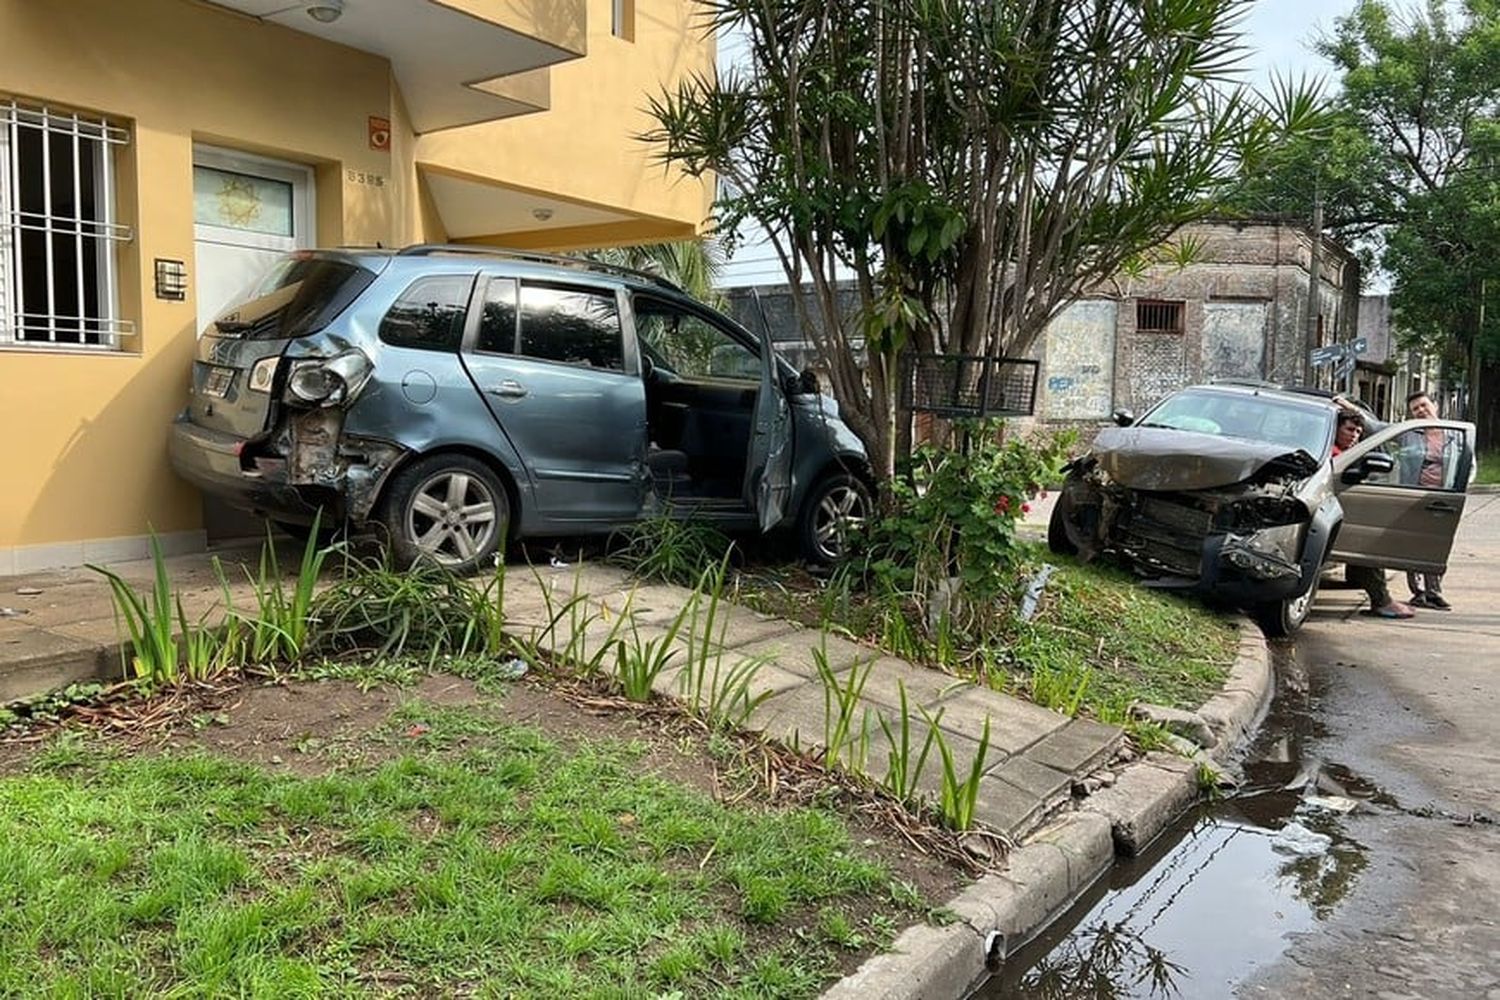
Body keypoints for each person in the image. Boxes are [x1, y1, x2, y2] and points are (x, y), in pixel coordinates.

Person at [1333, 407, 1415, 619]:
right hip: (1332, 519)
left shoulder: (1346, 454)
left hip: (1342, 516)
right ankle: (1382, 601)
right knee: (1368, 546)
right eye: (1349, 429)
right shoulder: (1333, 454)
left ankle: (1366, 585)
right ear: (1336, 429)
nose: (1354, 435)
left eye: (1358, 432)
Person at [1403, 390, 1452, 610]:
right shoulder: (1409, 433)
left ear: (1435, 405)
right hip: (1415, 494)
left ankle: (1434, 592)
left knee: (1437, 544)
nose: (1421, 411)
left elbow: (1469, 464)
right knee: (1413, 543)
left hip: (1444, 497)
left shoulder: (1454, 433)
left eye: (1424, 405)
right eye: (1416, 409)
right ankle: (1419, 592)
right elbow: (1376, 427)